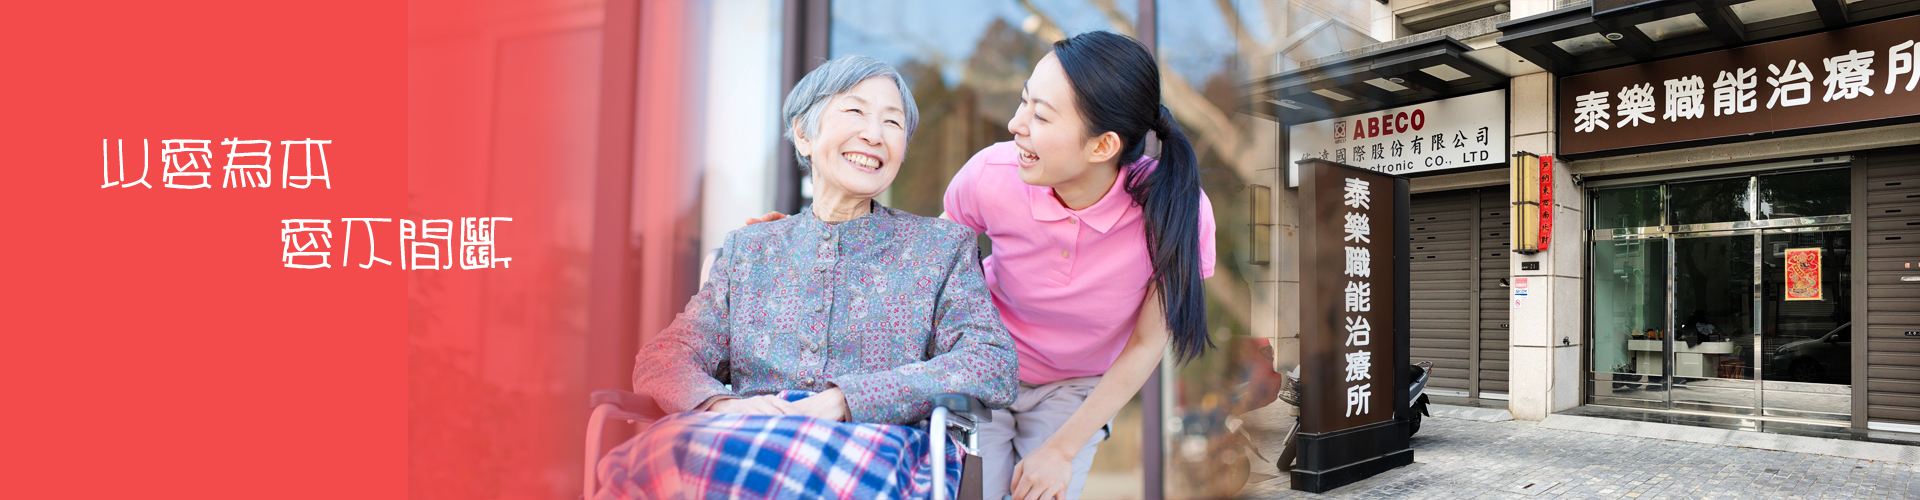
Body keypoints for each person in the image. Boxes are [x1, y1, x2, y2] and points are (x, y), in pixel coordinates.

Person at [751, 30, 1216, 500]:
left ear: (1102, 146)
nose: (1016, 124)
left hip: (1076, 388)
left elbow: (1145, 345)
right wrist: (808, 238)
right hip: (980, 369)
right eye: (1023, 101)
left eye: (1041, 115)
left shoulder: (1176, 211)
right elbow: (919, 271)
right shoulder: (992, 175)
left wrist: (1062, 449)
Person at [593, 55, 1018, 500]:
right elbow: (665, 356)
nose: (874, 135)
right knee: (660, 456)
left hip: (876, 449)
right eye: (855, 111)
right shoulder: (751, 250)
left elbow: (991, 362)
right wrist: (723, 405)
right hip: (744, 439)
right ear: (803, 133)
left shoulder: (938, 248)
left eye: (892, 123)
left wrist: (848, 400)